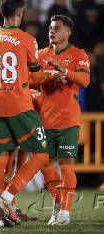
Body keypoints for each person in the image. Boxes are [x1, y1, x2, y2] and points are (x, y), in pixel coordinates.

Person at [0, 0, 64, 227]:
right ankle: (8, 196)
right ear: (19, 13)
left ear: (2, 13)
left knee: (0, 157)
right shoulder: (28, 39)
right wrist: (50, 76)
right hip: (19, 103)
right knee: (41, 154)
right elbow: (35, 74)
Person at [31, 15, 90, 225]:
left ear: (68, 32)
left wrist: (65, 72)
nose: (51, 31)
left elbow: (84, 80)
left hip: (67, 119)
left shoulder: (78, 54)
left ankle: (64, 213)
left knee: (66, 164)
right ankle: (58, 201)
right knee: (43, 163)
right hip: (44, 119)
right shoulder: (40, 55)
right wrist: (38, 87)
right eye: (50, 28)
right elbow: (29, 79)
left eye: (56, 28)